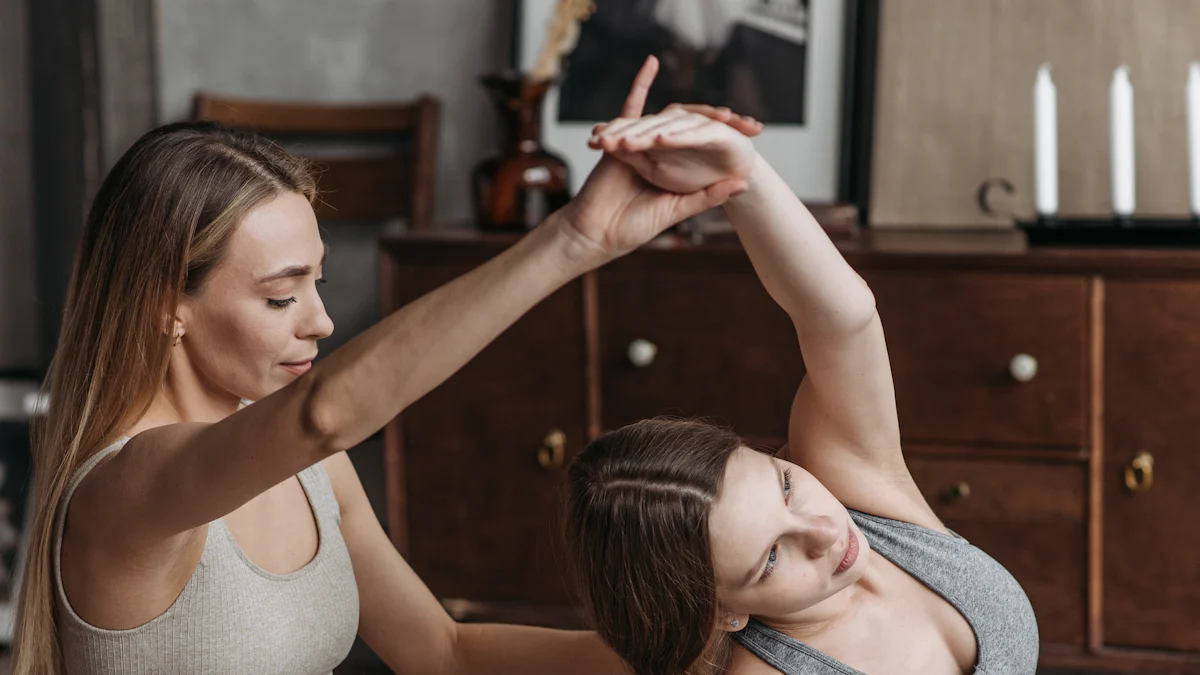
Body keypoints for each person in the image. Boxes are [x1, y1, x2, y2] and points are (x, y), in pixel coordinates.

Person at [12, 57, 760, 675]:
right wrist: (574, 239)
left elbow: (444, 652)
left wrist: (693, 657)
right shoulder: (126, 488)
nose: (321, 321)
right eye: (280, 296)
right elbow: (323, 415)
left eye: (318, 282)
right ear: (164, 305)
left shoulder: (314, 472)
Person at [564, 72, 1041, 674]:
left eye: (785, 485)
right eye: (770, 559)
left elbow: (843, 321)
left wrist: (741, 174)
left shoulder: (853, 494)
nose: (823, 532)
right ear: (723, 613)